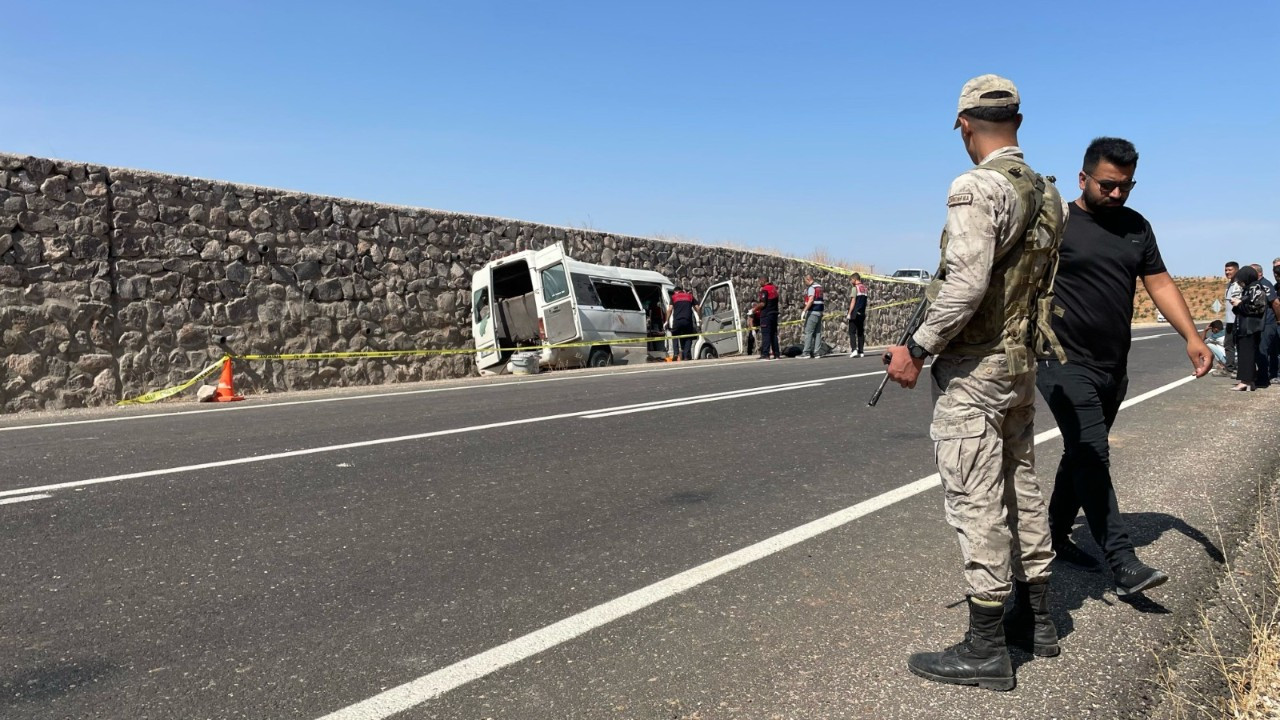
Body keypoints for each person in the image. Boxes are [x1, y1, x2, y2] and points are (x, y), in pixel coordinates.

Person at [886, 74, 1068, 692]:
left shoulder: (974, 187)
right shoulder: (1047, 193)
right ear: (1017, 120)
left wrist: (916, 348)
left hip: (976, 369)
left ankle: (986, 646)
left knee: (976, 498)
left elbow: (965, 285)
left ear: (965, 124)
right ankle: (1038, 621)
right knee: (1023, 485)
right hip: (1021, 365)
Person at [1037, 137, 1212, 596]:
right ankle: (1122, 561)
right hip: (1061, 360)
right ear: (1083, 178)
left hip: (1112, 365)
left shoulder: (1136, 226)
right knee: (1093, 452)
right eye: (1108, 185)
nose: (1117, 195)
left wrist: (1192, 338)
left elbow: (1160, 282)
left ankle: (1054, 538)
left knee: (1080, 454)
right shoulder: (1056, 222)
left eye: (1126, 186)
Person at [1230, 265, 1267, 391]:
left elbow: (1257, 308)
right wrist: (1237, 304)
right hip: (1245, 326)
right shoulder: (1249, 288)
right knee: (1245, 353)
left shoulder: (1256, 288)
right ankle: (1249, 381)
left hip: (1250, 327)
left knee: (1247, 354)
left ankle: (1245, 381)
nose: (1240, 282)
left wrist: (1240, 303)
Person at [1249, 263, 1280, 386]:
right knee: (1266, 350)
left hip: (1267, 323)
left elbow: (1276, 303)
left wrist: (1278, 320)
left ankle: (1264, 378)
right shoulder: (1256, 285)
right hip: (1261, 323)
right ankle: (1267, 374)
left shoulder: (1265, 285)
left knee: (1263, 350)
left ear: (1259, 273)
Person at [666, 285, 701, 361]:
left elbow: (669, 310)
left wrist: (667, 321)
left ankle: (676, 353)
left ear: (676, 292)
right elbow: (698, 308)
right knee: (688, 337)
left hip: (677, 321)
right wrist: (699, 318)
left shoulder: (674, 297)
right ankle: (685, 356)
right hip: (687, 321)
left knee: (674, 335)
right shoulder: (689, 296)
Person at [754, 276, 781, 360]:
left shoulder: (764, 290)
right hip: (774, 314)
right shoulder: (774, 288)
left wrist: (754, 309)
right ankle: (776, 354)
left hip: (766, 315)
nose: (759, 283)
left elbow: (763, 303)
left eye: (759, 281)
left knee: (766, 334)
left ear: (763, 280)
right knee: (773, 334)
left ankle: (765, 354)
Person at [800, 274, 825, 358]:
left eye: (805, 281)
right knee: (817, 333)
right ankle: (817, 352)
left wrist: (804, 310)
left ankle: (806, 352)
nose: (805, 283)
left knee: (808, 331)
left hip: (813, 312)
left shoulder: (812, 288)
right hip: (820, 312)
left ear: (808, 279)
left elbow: (811, 300)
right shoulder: (819, 287)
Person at [1223, 261, 1241, 375]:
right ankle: (1229, 367)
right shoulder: (1229, 285)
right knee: (1228, 344)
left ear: (1236, 270)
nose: (1227, 272)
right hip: (1229, 320)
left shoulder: (1239, 285)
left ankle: (1241, 368)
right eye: (1226, 270)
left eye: (1230, 270)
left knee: (1239, 345)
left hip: (1237, 320)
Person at [847, 273, 868, 357]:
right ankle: (861, 351)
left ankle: (854, 350)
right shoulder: (865, 288)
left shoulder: (855, 288)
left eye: (851, 280)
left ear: (855, 280)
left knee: (852, 332)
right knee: (860, 332)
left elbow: (853, 301)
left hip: (855, 313)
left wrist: (849, 313)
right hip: (862, 313)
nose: (851, 281)